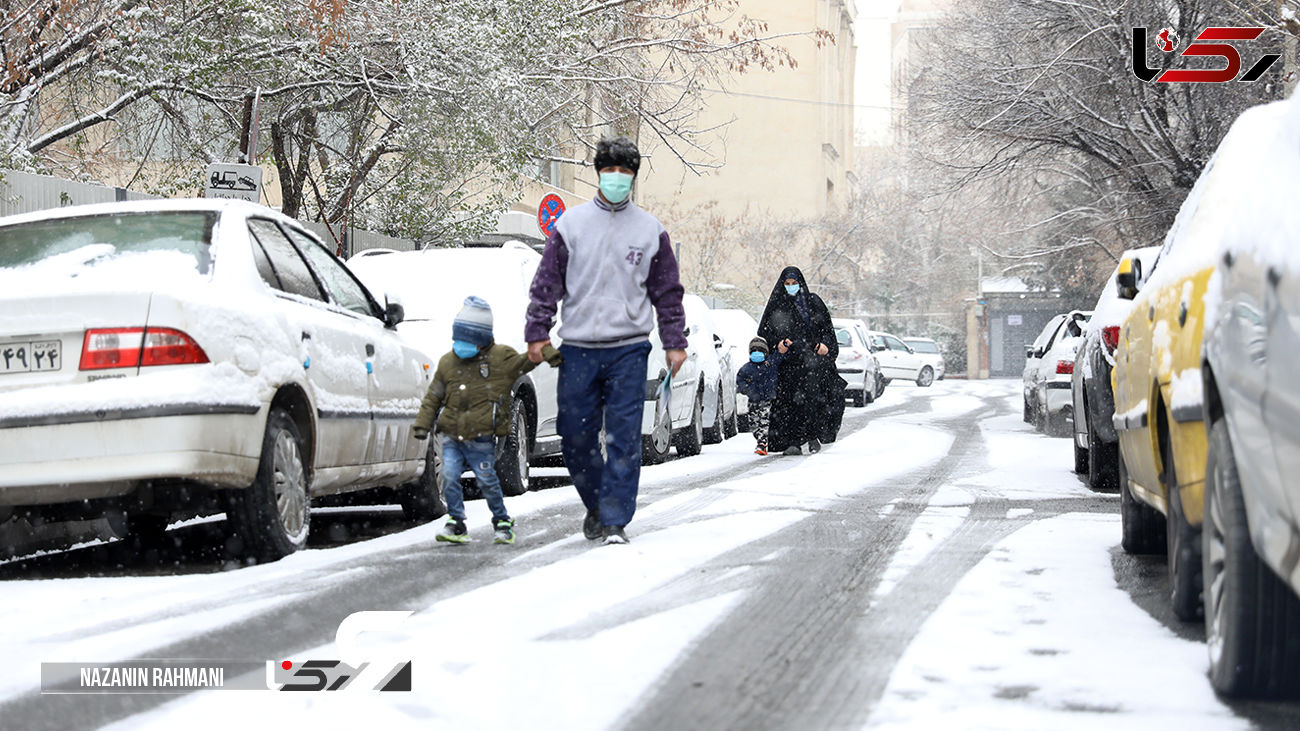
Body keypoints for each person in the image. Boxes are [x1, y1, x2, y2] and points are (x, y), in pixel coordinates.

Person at [525, 135, 686, 545]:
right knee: (574, 435)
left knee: (625, 435)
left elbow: (667, 292)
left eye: (625, 171)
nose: (616, 178)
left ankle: (615, 518)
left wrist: (673, 340)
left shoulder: (650, 231)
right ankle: (597, 502)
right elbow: (547, 284)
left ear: (633, 177)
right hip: (578, 348)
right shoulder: (570, 226)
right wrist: (536, 332)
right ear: (598, 173)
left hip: (628, 349)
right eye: (609, 170)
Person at [412, 296, 560, 545]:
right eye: (458, 337)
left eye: (468, 337)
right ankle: (456, 523)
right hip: (451, 434)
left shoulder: (500, 358)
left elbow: (524, 362)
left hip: (482, 436)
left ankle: (502, 520)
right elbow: (433, 396)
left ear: (482, 337)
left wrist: (544, 352)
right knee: (449, 477)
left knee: (487, 481)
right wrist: (423, 423)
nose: (462, 343)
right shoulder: (448, 362)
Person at [756, 266, 846, 455]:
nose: (791, 287)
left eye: (794, 283)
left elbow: (827, 330)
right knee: (789, 403)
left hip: (812, 362)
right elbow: (765, 332)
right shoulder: (777, 305)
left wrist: (824, 345)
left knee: (813, 400)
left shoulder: (812, 303)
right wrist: (777, 344)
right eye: (787, 284)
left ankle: (813, 435)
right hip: (788, 364)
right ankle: (793, 441)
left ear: (801, 283)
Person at [735, 336, 788, 455]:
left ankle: (762, 443)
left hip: (767, 399)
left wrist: (785, 346)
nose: (757, 354)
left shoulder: (770, 364)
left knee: (764, 420)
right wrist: (746, 390)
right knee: (753, 423)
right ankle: (759, 438)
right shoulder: (746, 368)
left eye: (760, 351)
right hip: (753, 400)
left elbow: (779, 356)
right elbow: (740, 380)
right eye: (754, 351)